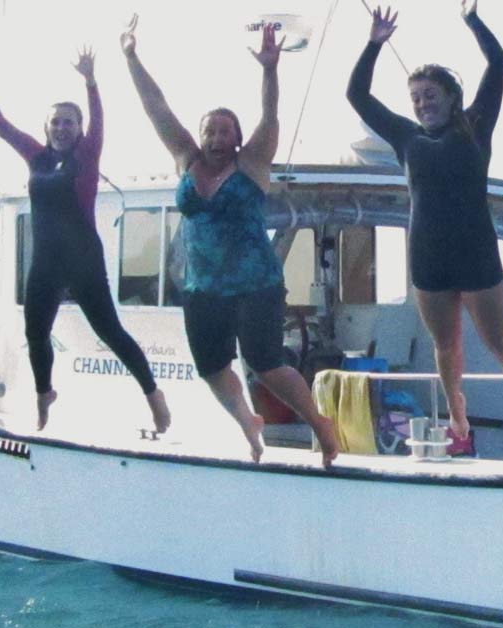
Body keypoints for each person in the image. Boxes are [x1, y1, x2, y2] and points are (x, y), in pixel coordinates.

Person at [120, 16, 340, 467]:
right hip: (202, 286)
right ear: (201, 137)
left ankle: (319, 423)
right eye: (210, 131)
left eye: (225, 131)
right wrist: (130, 57)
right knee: (211, 368)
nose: (217, 138)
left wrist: (270, 69)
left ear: (237, 139)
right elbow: (157, 107)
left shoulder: (253, 163)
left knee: (265, 362)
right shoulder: (186, 159)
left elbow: (270, 114)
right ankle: (247, 421)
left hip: (255, 281)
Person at [347, 1, 503, 449]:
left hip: (476, 251)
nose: (423, 103)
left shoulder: (476, 126)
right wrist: (373, 45)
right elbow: (357, 96)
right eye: (416, 97)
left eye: (430, 94)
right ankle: (456, 406)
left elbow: (497, 63)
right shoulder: (407, 137)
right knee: (446, 346)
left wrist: (473, 20)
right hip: (428, 258)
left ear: (450, 96)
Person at [0, 46, 171, 433]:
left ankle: (154, 396)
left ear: (79, 129)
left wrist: (91, 83)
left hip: (84, 258)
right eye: (56, 122)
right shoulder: (35, 157)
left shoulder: (87, 155)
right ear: (47, 127)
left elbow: (100, 119)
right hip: (47, 262)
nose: (62, 127)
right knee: (35, 333)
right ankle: (44, 394)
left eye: (69, 122)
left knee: (111, 332)